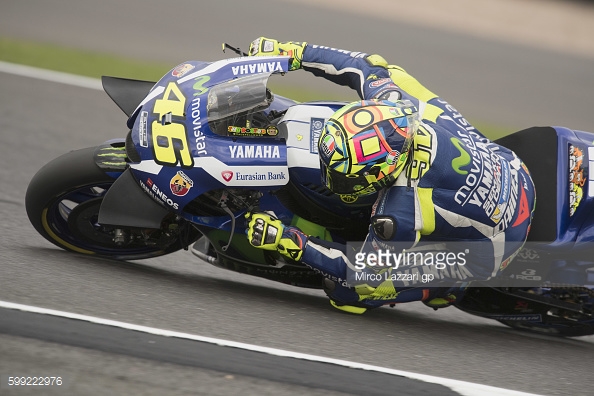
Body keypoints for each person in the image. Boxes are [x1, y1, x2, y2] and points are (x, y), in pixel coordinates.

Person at [245, 37, 536, 314]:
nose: (333, 181)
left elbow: (359, 267)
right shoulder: (396, 101)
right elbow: (366, 66)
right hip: (512, 167)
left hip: (501, 241)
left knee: (350, 292)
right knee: (425, 100)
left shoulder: (399, 215)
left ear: (380, 173)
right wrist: (292, 52)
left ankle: (446, 287)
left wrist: (292, 241)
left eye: (345, 178)